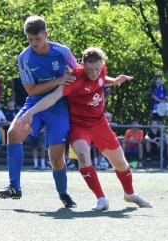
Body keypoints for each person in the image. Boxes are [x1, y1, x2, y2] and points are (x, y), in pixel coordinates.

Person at [18, 46, 152, 210]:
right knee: (82, 156)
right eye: (89, 69)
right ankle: (101, 198)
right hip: (79, 127)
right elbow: (53, 97)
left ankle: (129, 194)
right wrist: (30, 112)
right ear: (82, 64)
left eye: (97, 68)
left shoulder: (101, 71)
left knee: (121, 163)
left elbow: (101, 80)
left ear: (102, 65)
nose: (94, 73)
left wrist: (115, 81)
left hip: (100, 124)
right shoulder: (75, 78)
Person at [0, 15, 78, 208]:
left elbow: (79, 74)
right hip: (35, 103)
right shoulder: (24, 58)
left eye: (37, 39)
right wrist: (57, 81)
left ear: (46, 34)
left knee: (56, 158)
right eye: (30, 39)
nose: (33, 43)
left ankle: (63, 194)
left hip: (59, 107)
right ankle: (14, 187)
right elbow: (31, 90)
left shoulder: (63, 52)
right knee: (13, 133)